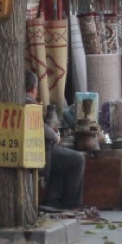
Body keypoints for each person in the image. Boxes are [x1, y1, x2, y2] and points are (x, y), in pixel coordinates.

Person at [25, 72, 85, 210]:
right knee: (77, 159)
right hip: (39, 151)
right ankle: (71, 204)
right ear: (34, 88)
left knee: (62, 159)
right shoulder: (28, 103)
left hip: (37, 149)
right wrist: (56, 136)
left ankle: (53, 200)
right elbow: (42, 129)